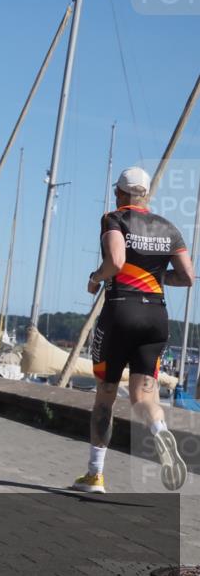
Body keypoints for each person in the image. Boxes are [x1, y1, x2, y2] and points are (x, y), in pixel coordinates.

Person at [73, 167, 194, 494]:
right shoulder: (169, 229)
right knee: (143, 394)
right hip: (156, 315)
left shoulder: (114, 219)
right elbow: (187, 277)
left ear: (121, 194)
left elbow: (115, 259)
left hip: (120, 311)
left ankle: (95, 475)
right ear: (146, 194)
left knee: (106, 395)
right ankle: (159, 432)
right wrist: (158, 276)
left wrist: (95, 278)